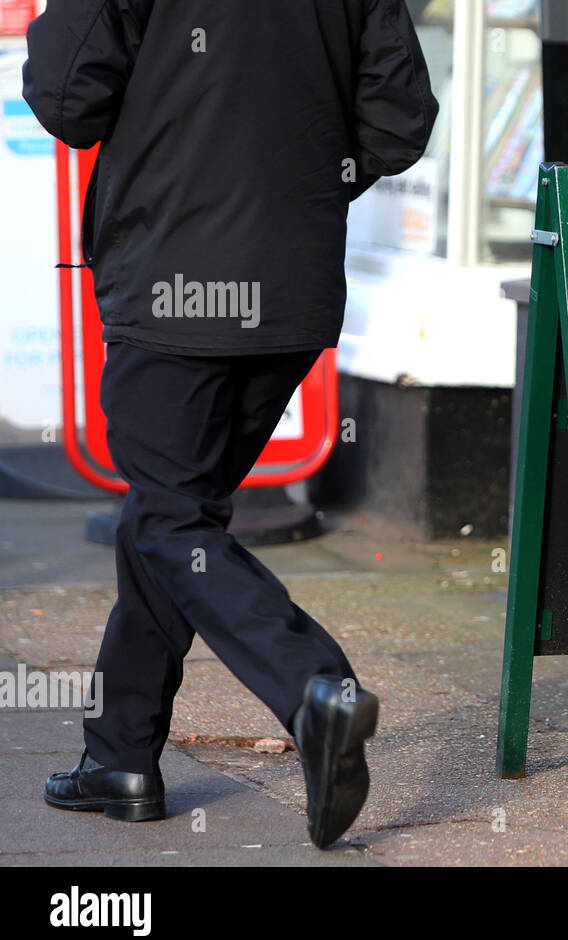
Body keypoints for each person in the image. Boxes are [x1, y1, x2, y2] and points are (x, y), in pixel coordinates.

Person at [23, 0, 438, 848]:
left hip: (172, 282)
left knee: (174, 518)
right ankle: (121, 755)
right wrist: (298, 183)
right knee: (174, 513)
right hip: (288, 287)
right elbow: (397, 124)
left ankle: (315, 687)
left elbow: (65, 99)